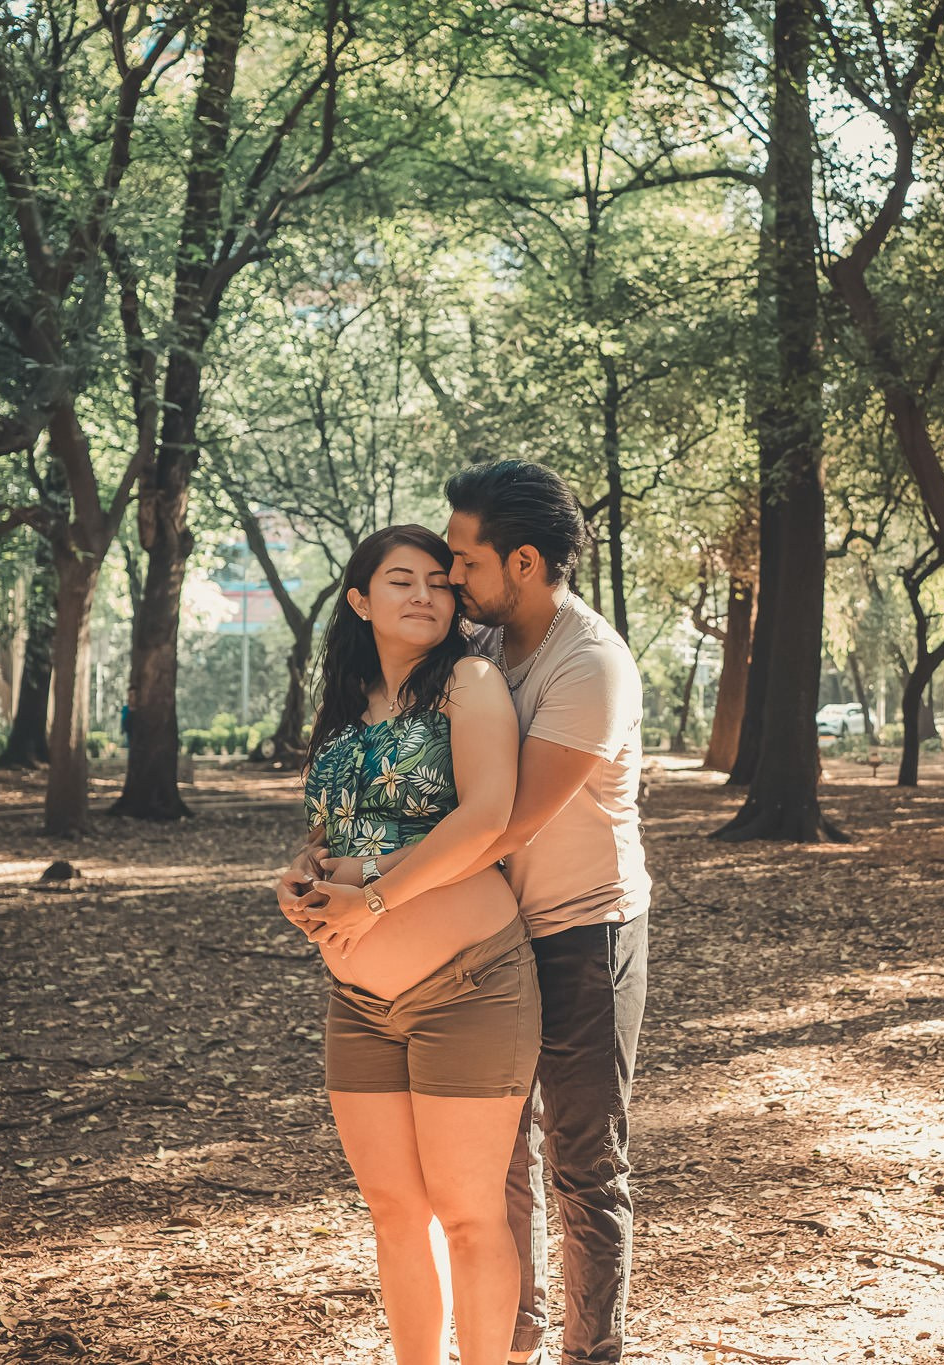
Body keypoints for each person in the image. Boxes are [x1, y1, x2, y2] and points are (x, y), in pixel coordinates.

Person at [347, 461, 649, 1365]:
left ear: (522, 561)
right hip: (490, 940)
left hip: (584, 932)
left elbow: (504, 824)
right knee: (491, 1163)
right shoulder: (480, 644)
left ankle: (592, 1351)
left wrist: (372, 898)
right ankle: (504, 1345)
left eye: (463, 561)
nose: (448, 577)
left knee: (583, 1161)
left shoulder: (588, 663)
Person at [273, 524, 540, 1365]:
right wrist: (300, 880)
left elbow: (487, 820)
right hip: (359, 1002)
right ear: (359, 600)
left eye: (438, 580)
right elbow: (326, 834)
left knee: (468, 1214)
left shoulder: (469, 681)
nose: (425, 594)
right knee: (394, 1211)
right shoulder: (344, 711)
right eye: (400, 581)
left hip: (470, 989)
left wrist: (375, 897)